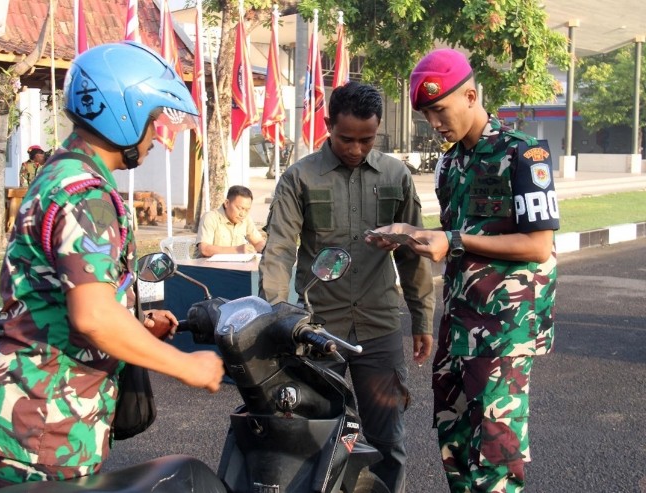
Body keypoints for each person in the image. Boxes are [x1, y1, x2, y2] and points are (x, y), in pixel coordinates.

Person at [0, 41, 224, 489]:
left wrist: (137, 327)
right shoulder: (87, 195)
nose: (162, 136)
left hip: (40, 408)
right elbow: (93, 315)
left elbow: (69, 296)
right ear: (123, 112)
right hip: (49, 417)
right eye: (156, 120)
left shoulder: (64, 172)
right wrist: (186, 366)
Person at [367, 49, 560, 492]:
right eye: (426, 114)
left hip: (503, 333)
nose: (434, 123)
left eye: (439, 109)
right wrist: (407, 233)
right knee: (454, 442)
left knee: (494, 454)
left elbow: (538, 244)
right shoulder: (452, 164)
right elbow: (458, 234)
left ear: (471, 95)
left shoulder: (523, 155)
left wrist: (453, 240)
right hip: (460, 325)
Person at [259, 81, 435, 493]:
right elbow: (280, 250)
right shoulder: (298, 177)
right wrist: (277, 317)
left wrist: (422, 317)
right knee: (315, 436)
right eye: (346, 139)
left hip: (380, 327)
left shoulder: (395, 174)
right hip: (319, 331)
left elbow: (413, 251)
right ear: (327, 125)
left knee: (387, 440)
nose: (356, 149)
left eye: (367, 139)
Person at [195, 185, 266, 257]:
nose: (243, 214)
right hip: (207, 267)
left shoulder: (246, 219)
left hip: (236, 266)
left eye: (247, 210)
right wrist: (237, 250)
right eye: (240, 208)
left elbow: (258, 242)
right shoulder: (211, 217)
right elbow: (204, 249)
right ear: (226, 203)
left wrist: (264, 249)